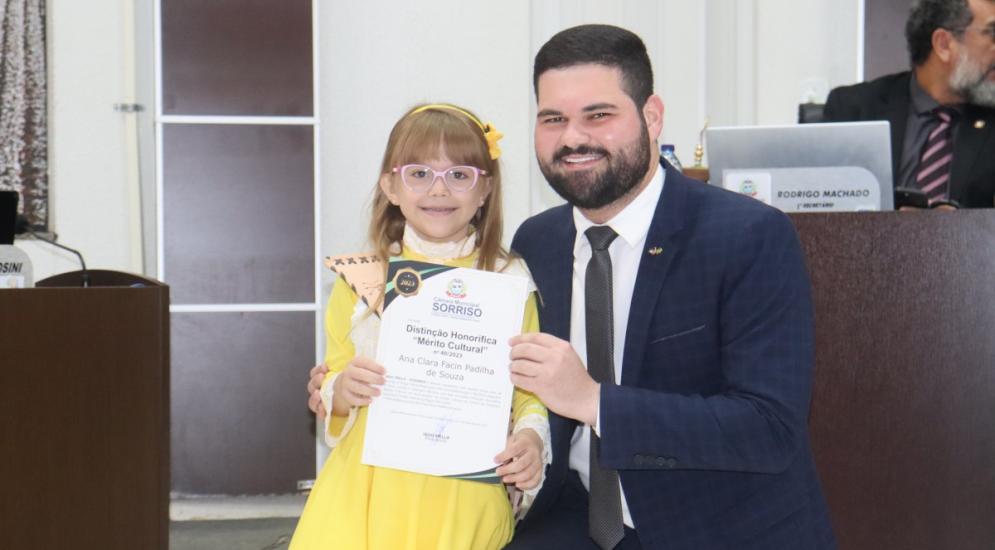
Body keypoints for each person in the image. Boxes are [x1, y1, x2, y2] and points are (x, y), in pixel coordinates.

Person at [503, 25, 836, 549]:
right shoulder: (535, 241)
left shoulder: (748, 235)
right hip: (574, 519)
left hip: (718, 528)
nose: (572, 139)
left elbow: (768, 426)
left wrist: (595, 402)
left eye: (598, 115)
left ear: (652, 117)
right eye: (553, 119)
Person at [291, 103, 550, 550]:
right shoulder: (361, 277)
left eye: (459, 174)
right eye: (419, 173)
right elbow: (334, 375)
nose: (439, 189)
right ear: (391, 186)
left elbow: (530, 391)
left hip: (464, 492)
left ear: (485, 188)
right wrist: (343, 389)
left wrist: (530, 439)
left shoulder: (510, 280)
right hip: (368, 488)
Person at [824, 0, 995, 208]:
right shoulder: (854, 109)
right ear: (943, 45)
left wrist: (959, 222)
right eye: (992, 33)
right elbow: (823, 210)